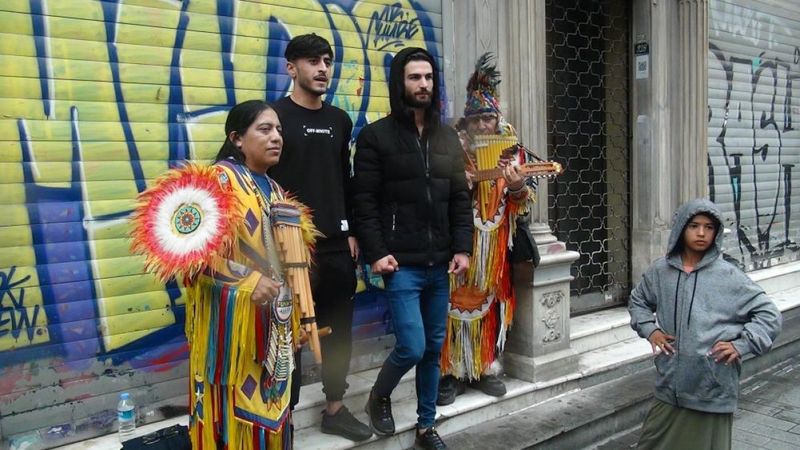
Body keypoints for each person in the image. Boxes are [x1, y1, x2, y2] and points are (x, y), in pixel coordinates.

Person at [352, 47, 473, 450]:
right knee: (413, 345)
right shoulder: (375, 137)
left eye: (428, 77)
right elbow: (364, 202)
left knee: (433, 348)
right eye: (414, 78)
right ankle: (378, 395)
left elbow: (459, 197)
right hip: (400, 263)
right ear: (399, 83)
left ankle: (425, 425)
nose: (423, 84)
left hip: (440, 263)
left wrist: (463, 247)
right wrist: (376, 252)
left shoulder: (446, 137)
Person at [268, 34, 372, 442]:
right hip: (288, 251)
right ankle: (284, 419)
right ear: (291, 68)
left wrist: (351, 230)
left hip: (335, 247)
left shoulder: (339, 120)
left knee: (339, 330)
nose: (323, 68)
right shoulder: (272, 118)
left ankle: (335, 407)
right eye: (312, 61)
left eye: (327, 60)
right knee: (288, 334)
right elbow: (240, 173)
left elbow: (344, 182)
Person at [629, 198, 782, 450]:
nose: (701, 233)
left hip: (712, 389)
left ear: (716, 232)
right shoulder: (660, 272)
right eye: (694, 226)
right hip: (670, 386)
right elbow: (638, 301)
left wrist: (742, 345)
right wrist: (650, 329)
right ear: (680, 229)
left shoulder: (729, 276)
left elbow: (768, 314)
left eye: (709, 227)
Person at [437, 53, 536, 405]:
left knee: (489, 301)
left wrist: (514, 186)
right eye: (476, 119)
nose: (482, 126)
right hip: (457, 243)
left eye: (488, 118)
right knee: (453, 303)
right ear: (467, 121)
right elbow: (430, 192)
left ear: (498, 119)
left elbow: (525, 201)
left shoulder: (513, 150)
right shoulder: (449, 147)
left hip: (495, 246)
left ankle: (483, 367)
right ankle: (450, 372)